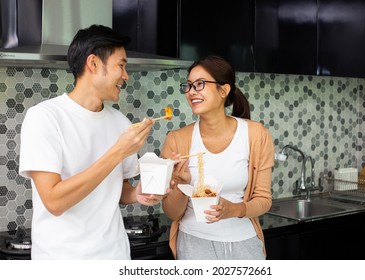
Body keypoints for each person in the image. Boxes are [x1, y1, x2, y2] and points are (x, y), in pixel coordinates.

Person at [18, 24, 162, 260]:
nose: (126, 76)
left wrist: (137, 194)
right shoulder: (44, 117)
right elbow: (54, 202)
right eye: (121, 65)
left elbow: (119, 190)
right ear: (93, 64)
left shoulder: (120, 122)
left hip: (115, 256)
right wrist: (117, 151)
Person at [160, 55, 274, 260]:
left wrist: (233, 210)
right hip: (194, 247)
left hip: (245, 246)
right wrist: (181, 184)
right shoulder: (176, 140)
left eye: (200, 84)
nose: (191, 91)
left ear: (224, 90)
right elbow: (171, 213)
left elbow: (264, 200)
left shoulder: (256, 135)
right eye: (188, 86)